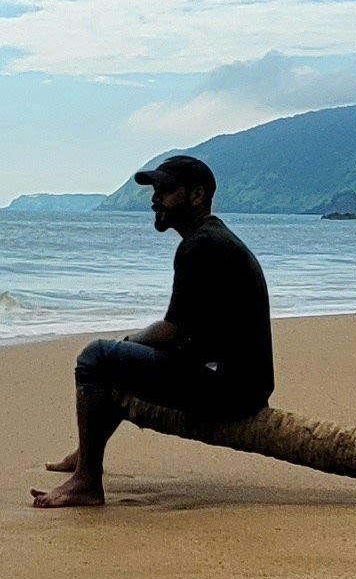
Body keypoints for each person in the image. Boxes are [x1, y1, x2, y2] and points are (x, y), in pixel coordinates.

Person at [31, 151, 275, 509]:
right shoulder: (213, 240)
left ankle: (86, 481)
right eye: (154, 191)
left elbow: (173, 331)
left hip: (232, 394)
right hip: (244, 385)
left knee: (95, 357)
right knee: (119, 359)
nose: (154, 200)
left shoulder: (200, 245)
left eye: (165, 190)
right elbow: (196, 333)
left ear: (197, 196)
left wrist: (127, 344)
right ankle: (86, 455)